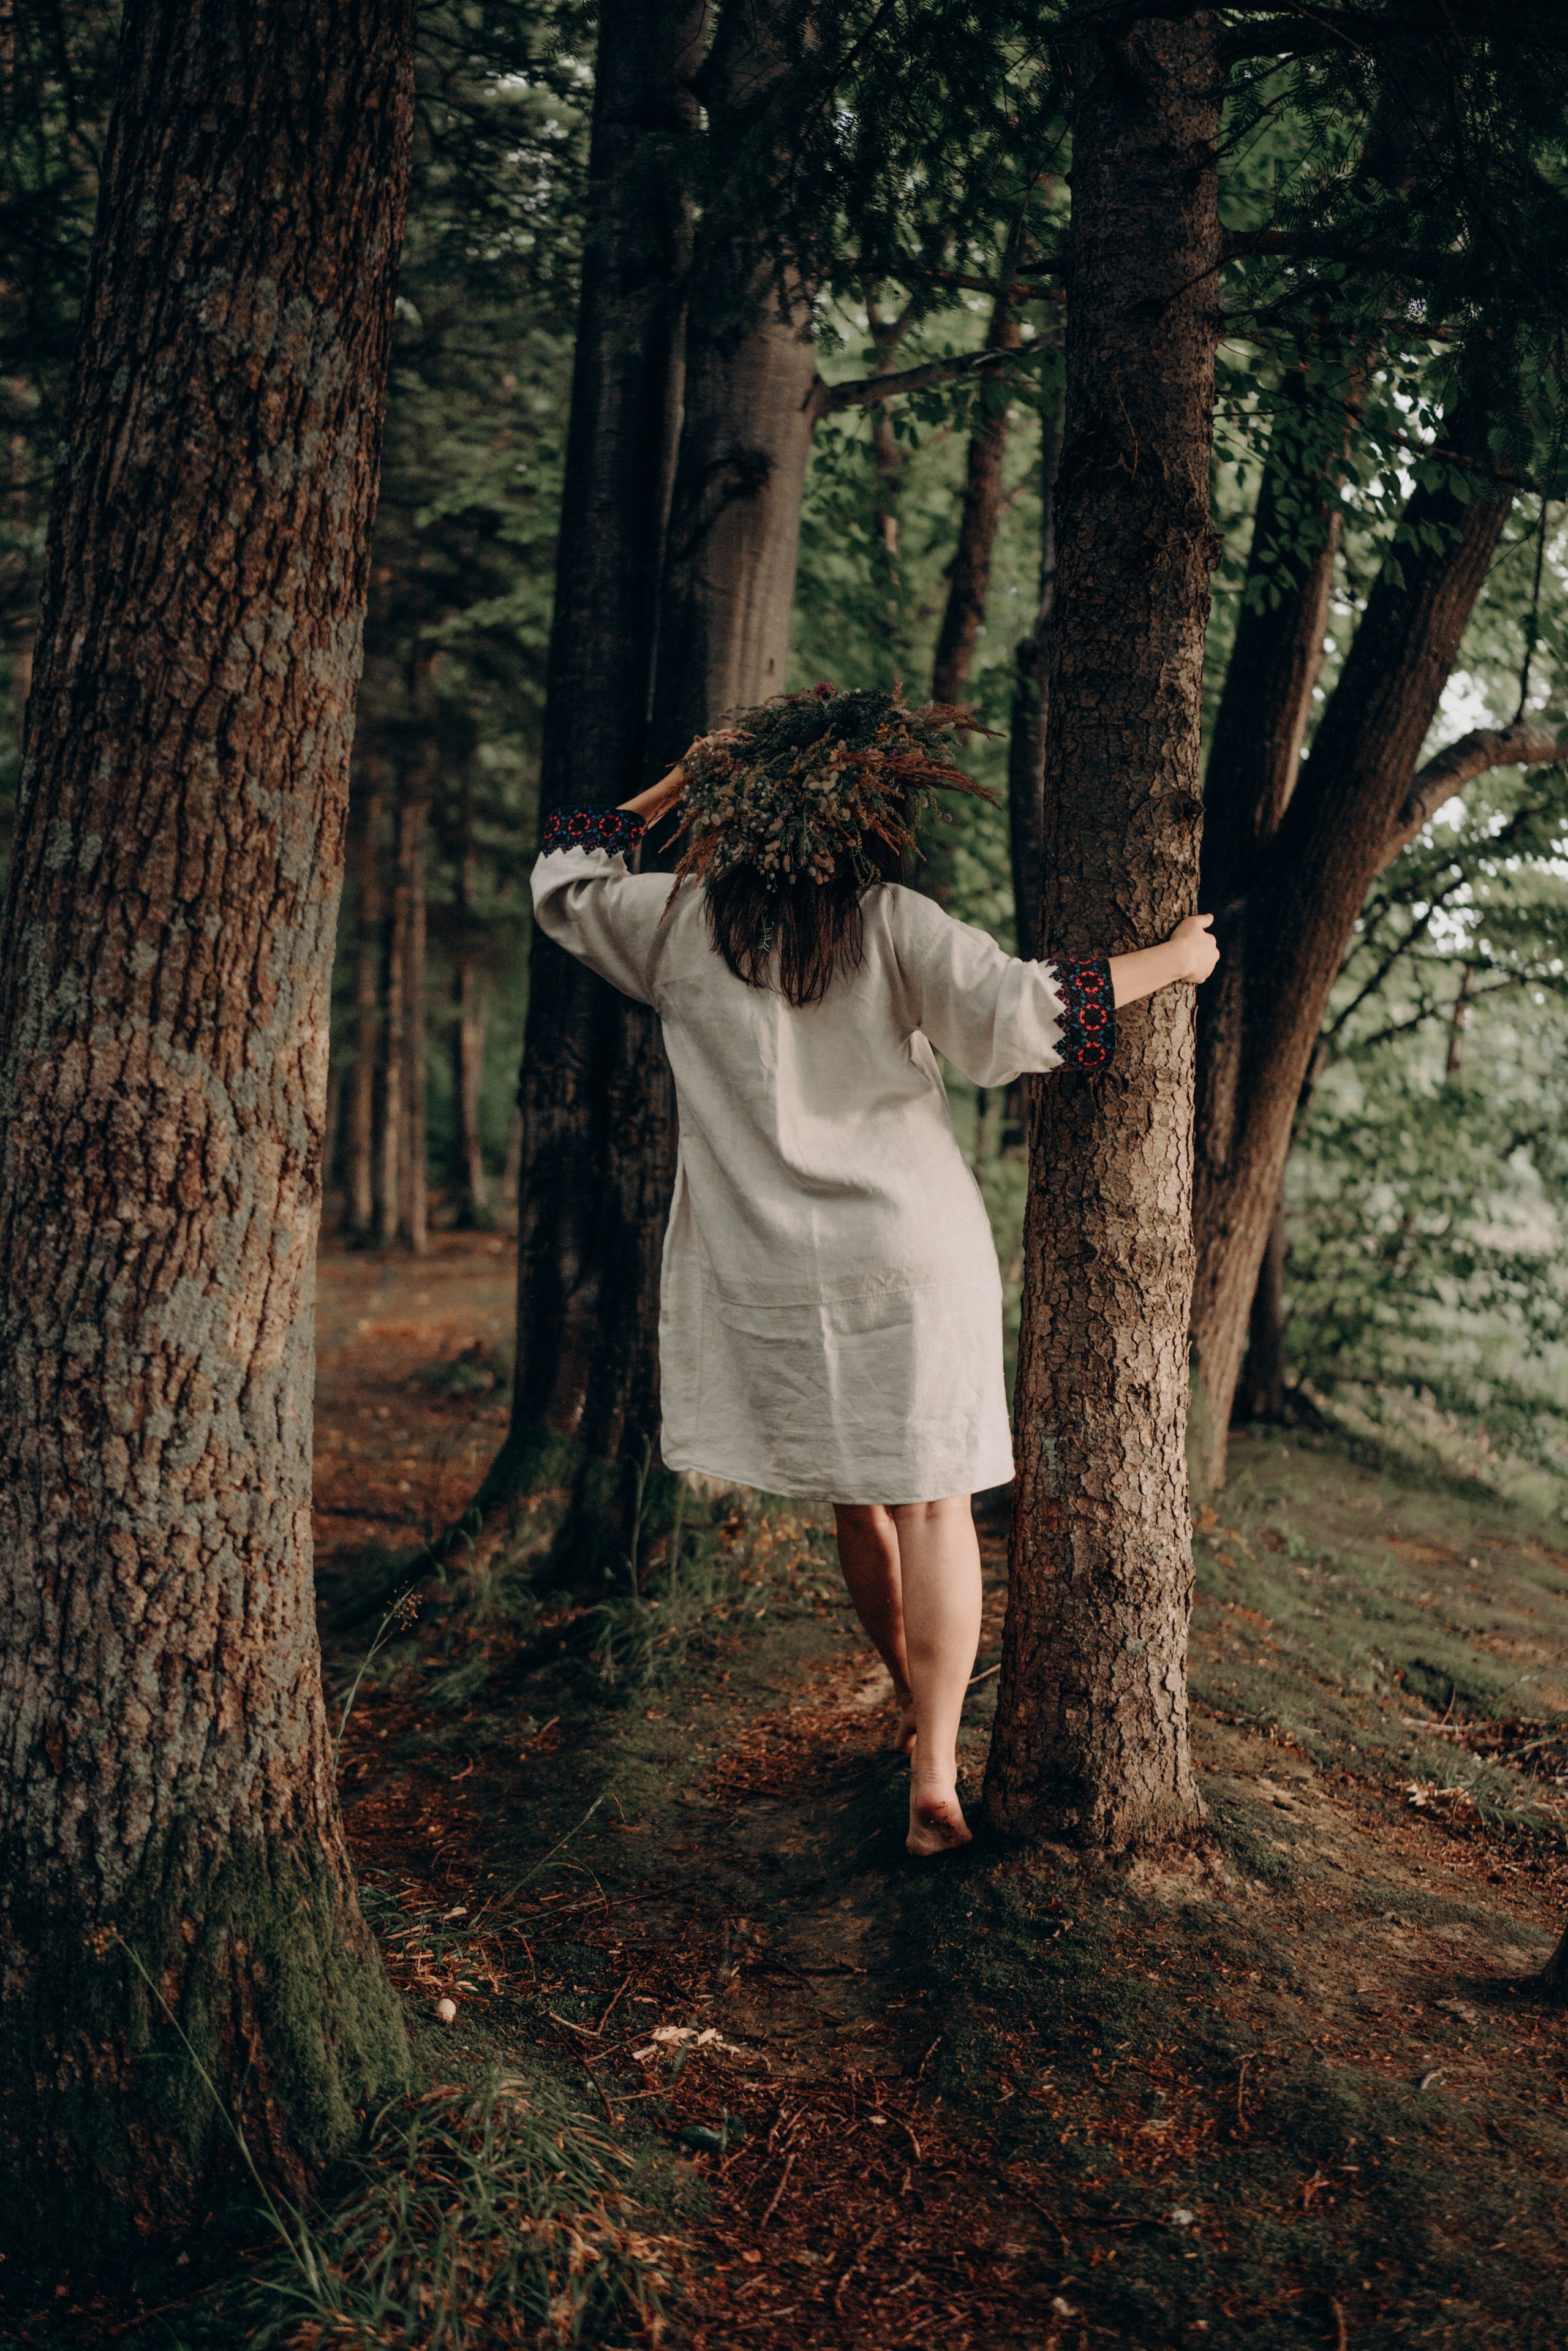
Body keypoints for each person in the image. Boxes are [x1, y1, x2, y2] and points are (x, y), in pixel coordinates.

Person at [532, 725, 1219, 1857]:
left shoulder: (675, 923)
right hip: (912, 1255)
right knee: (933, 1504)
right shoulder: (889, 920)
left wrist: (676, 784)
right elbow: (1028, 1011)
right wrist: (1177, 961)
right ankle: (935, 1767)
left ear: (737, 821)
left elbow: (565, 878)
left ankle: (907, 1693)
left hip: (776, 1267)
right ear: (856, 825)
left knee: (860, 1501)